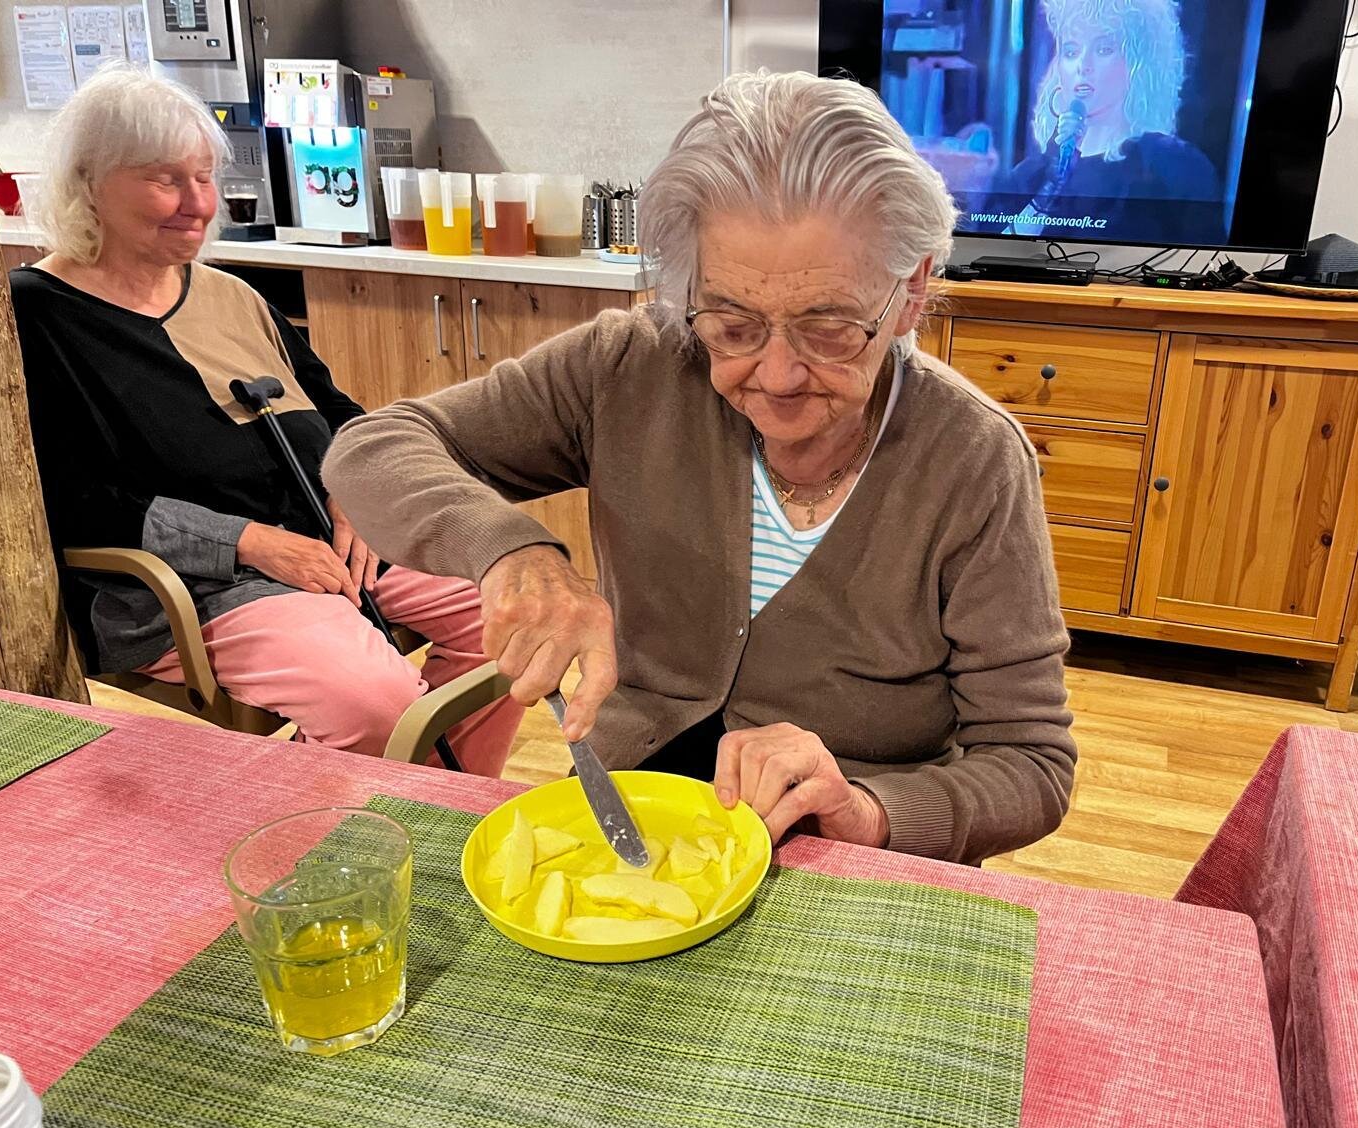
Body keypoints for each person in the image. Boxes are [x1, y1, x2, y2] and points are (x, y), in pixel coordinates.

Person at [324, 70, 1077, 865]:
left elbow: (1031, 764)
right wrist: (511, 552)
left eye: (829, 328)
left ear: (912, 289)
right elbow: (371, 449)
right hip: (635, 816)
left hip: (844, 862)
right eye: (732, 325)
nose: (776, 376)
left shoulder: (972, 459)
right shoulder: (628, 367)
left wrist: (867, 811)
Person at [10, 64, 520, 773]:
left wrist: (352, 491)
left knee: (512, 619)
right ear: (88, 182)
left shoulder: (232, 295)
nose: (198, 203)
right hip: (206, 585)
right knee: (375, 702)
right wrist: (253, 543)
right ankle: (378, 821)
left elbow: (338, 412)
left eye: (204, 177)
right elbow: (75, 501)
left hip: (330, 541)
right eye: (165, 180)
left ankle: (434, 814)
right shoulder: (37, 314)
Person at [995, 0, 1222, 244]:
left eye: (1103, 49)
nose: (1083, 66)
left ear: (1138, 61)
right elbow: (996, 251)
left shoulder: (1178, 167)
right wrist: (1047, 191)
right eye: (1071, 52)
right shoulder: (1030, 175)